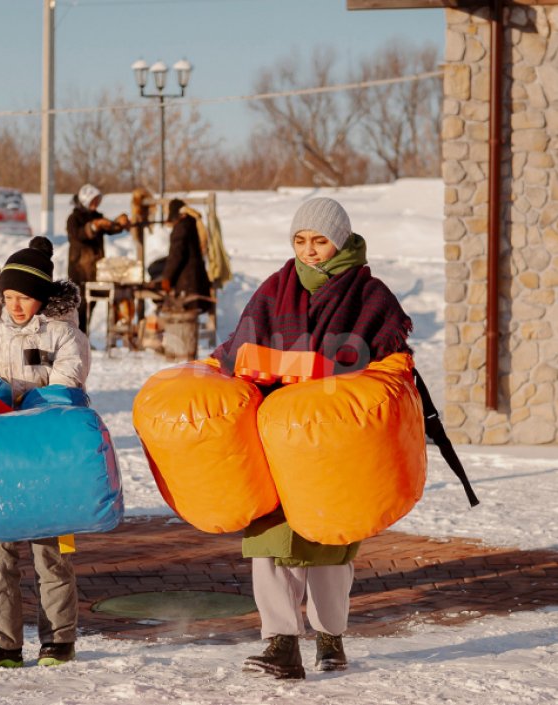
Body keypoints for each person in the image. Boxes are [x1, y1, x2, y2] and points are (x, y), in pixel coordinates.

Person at [211, 197, 413, 680]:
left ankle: (330, 636)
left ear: (339, 240)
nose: (310, 251)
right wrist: (237, 365)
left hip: (336, 443)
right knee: (272, 542)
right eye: (301, 241)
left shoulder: (371, 295)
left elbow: (384, 358)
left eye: (319, 241)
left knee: (328, 548)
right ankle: (279, 643)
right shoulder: (275, 287)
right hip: (276, 438)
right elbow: (238, 346)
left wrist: (322, 367)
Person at [0, 236, 90, 668]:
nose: (16, 306)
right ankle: (0, 640)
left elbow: (66, 382)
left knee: (50, 549)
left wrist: (14, 394)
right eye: (9, 296)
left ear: (43, 296)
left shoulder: (65, 334)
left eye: (25, 297)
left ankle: (59, 637)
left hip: (47, 454)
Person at [66, 183, 129, 333]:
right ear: (86, 200)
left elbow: (109, 227)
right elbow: (79, 234)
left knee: (91, 305)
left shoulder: (97, 216)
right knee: (80, 306)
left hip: (95, 270)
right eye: (93, 201)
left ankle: (83, 335)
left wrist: (119, 224)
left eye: (97, 201)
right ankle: (77, 336)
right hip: (79, 270)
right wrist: (93, 226)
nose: (96, 204)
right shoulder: (74, 219)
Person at [160, 198, 212, 311]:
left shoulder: (181, 228)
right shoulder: (189, 223)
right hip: (193, 279)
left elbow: (176, 255)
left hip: (188, 283)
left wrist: (167, 278)